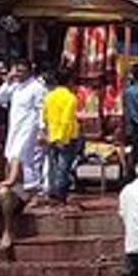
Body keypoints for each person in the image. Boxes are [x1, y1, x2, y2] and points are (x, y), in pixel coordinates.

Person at [0, 60, 49, 198]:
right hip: (15, 128)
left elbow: (42, 110)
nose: (18, 74)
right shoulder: (15, 86)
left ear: (29, 71)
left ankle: (32, 191)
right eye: (16, 71)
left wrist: (42, 130)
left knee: (24, 158)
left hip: (29, 128)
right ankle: (17, 191)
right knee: (11, 157)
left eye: (21, 71)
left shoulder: (37, 87)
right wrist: (8, 81)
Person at [41, 68, 81, 204]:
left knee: (53, 165)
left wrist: (48, 134)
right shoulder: (70, 98)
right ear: (69, 81)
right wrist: (63, 138)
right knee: (64, 166)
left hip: (52, 135)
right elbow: (67, 119)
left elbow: (45, 117)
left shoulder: (49, 96)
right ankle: (60, 194)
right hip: (67, 137)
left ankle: (52, 191)